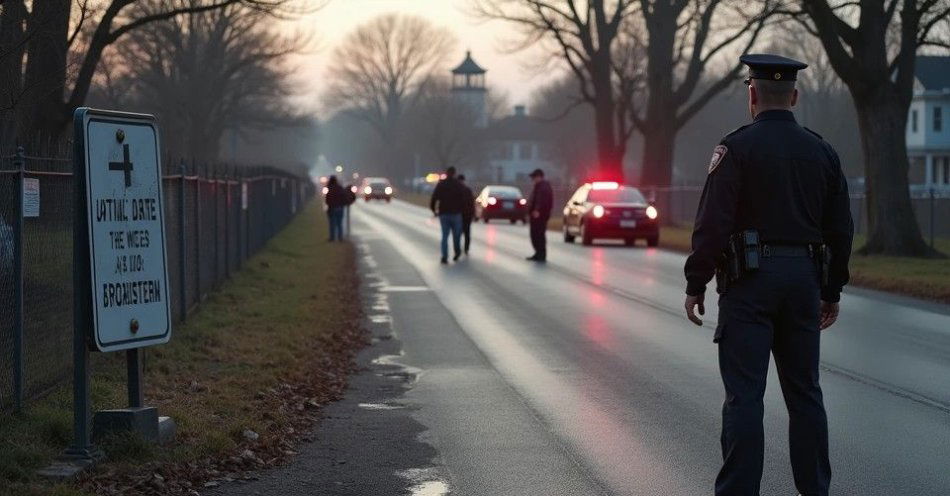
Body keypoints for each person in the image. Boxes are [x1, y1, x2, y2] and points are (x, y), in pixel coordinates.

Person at [683, 54, 853, 496]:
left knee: (745, 396)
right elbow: (841, 229)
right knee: (805, 394)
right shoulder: (823, 152)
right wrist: (831, 290)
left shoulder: (736, 148)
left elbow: (713, 223)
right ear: (794, 96)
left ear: (752, 95)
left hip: (749, 283)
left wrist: (696, 281)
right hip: (804, 282)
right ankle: (815, 489)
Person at [429, 166, 466, 264]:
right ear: (454, 173)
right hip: (456, 214)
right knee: (456, 235)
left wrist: (434, 210)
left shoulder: (441, 184)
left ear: (447, 173)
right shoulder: (458, 184)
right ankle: (457, 251)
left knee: (445, 236)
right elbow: (463, 199)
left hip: (444, 213)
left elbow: (434, 198)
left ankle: (444, 256)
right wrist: (463, 211)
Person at [526, 168, 553, 262]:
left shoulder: (543, 187)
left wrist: (537, 210)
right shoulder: (538, 186)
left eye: (534, 177)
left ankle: (541, 254)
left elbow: (541, 201)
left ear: (539, 177)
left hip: (540, 216)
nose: (532, 179)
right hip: (535, 215)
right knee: (534, 235)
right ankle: (538, 253)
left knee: (539, 235)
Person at [324, 175, 348, 242]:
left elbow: (327, 199)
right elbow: (344, 197)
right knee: (339, 223)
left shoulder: (329, 188)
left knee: (332, 224)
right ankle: (340, 238)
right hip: (340, 207)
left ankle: (332, 238)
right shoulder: (340, 188)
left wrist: (329, 205)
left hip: (332, 208)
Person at [458, 174, 476, 255]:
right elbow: (472, 203)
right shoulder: (468, 190)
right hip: (467, 215)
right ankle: (466, 248)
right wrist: (473, 214)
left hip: (459, 215)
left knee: (458, 233)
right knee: (467, 233)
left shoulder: (456, 190)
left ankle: (458, 248)